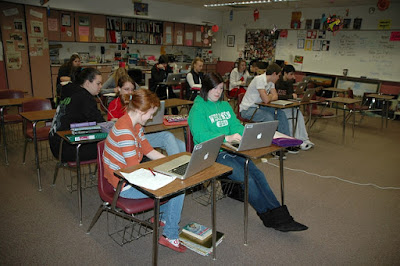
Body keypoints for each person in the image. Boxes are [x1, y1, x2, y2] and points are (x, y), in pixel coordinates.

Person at [188, 72, 308, 232]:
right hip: (212, 154)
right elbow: (201, 135)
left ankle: (281, 216)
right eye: (214, 89)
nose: (218, 92)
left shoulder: (223, 105)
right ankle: (268, 216)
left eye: (221, 88)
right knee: (248, 180)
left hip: (230, 150)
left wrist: (247, 133)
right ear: (205, 89)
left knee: (259, 175)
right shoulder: (198, 109)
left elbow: (235, 125)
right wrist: (227, 137)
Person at [103, 88, 186, 252]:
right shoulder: (125, 131)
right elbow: (135, 170)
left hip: (132, 176)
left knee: (174, 180)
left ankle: (162, 216)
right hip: (124, 185)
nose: (151, 117)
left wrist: (172, 163)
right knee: (178, 188)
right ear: (141, 111)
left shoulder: (135, 124)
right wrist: (166, 173)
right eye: (151, 113)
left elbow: (148, 150)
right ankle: (170, 235)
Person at [107, 75, 185, 155]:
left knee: (180, 144)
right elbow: (111, 125)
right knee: (168, 137)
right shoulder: (114, 104)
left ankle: (187, 163)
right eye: (126, 89)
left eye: (132, 90)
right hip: (129, 139)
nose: (130, 92)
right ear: (119, 89)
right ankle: (177, 164)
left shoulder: (137, 102)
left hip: (142, 133)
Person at [49, 68, 105, 162]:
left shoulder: (71, 91)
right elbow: (101, 123)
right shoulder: (86, 98)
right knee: (110, 146)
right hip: (68, 148)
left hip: (57, 143)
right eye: (98, 83)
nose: (101, 86)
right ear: (87, 83)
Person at [239, 63, 290, 136]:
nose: (279, 78)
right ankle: (270, 141)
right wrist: (269, 96)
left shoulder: (271, 82)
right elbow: (266, 100)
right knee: (268, 117)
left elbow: (275, 96)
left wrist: (268, 96)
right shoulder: (259, 79)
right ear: (274, 74)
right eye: (278, 75)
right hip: (247, 109)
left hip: (259, 107)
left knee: (280, 113)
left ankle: (285, 139)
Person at [275, 65, 315, 152]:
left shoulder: (289, 82)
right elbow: (276, 96)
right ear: (285, 73)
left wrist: (294, 99)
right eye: (291, 74)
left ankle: (302, 138)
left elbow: (290, 95)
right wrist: (290, 96)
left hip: (286, 105)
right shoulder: (277, 81)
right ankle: (291, 139)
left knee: (298, 113)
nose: (293, 77)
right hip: (277, 107)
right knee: (291, 116)